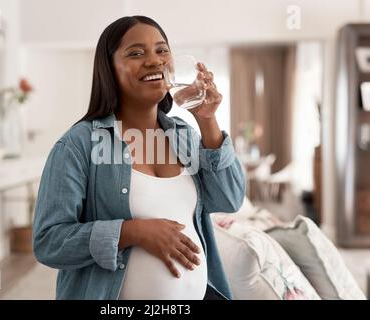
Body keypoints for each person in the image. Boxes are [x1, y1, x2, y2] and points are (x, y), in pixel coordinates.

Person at [33, 15, 245, 300]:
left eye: (162, 50)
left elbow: (229, 199)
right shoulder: (77, 145)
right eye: (136, 53)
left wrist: (207, 121)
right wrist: (132, 232)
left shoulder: (184, 136)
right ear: (109, 69)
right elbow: (48, 242)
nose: (154, 61)